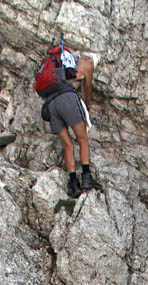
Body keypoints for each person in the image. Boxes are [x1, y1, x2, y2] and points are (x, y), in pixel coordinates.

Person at [42, 46, 101, 198]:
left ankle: (73, 183)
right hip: (67, 99)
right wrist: (86, 106)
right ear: (90, 60)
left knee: (67, 145)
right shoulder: (86, 65)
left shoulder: (60, 64)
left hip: (51, 104)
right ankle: (87, 177)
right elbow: (87, 91)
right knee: (82, 139)